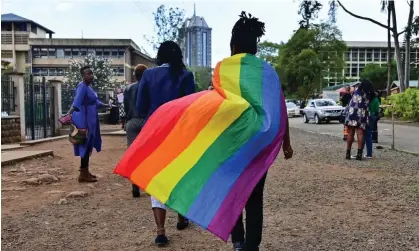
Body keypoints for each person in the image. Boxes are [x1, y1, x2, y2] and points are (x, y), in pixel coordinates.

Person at [227, 12, 293, 251]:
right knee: (255, 197)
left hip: (231, 145)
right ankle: (252, 245)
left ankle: (237, 242)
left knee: (233, 193)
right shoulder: (267, 71)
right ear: (255, 45)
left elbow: (215, 105)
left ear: (233, 46)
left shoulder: (225, 69)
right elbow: (280, 105)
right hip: (259, 145)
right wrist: (286, 141)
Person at [136, 40, 195, 247]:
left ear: (159, 56)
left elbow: (140, 107)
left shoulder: (148, 75)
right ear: (178, 56)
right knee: (179, 176)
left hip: (154, 133)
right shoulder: (186, 76)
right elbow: (192, 109)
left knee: (156, 179)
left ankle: (161, 231)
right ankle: (181, 217)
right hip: (179, 135)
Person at [66, 66, 108, 183]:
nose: (91, 76)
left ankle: (85, 171)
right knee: (85, 144)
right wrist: (68, 114)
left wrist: (107, 105)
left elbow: (95, 102)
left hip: (90, 118)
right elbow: (77, 102)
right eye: (89, 74)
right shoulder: (82, 86)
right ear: (83, 76)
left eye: (92, 73)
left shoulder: (88, 87)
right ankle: (83, 174)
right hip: (84, 119)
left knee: (88, 145)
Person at [123, 64, 148, 198]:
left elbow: (126, 107)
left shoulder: (128, 88)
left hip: (132, 121)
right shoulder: (149, 87)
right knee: (147, 153)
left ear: (135, 75)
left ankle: (135, 186)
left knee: (133, 154)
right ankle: (148, 184)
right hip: (146, 121)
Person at [344, 79, 374, 160]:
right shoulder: (369, 94)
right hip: (362, 114)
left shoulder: (357, 91)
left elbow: (351, 100)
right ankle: (359, 154)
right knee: (360, 133)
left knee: (350, 133)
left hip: (352, 112)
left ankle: (348, 153)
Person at [364, 89, 380, 159]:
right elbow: (377, 109)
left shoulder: (365, 98)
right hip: (373, 116)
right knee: (369, 135)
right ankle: (369, 154)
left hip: (365, 116)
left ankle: (360, 151)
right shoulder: (376, 99)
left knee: (362, 135)